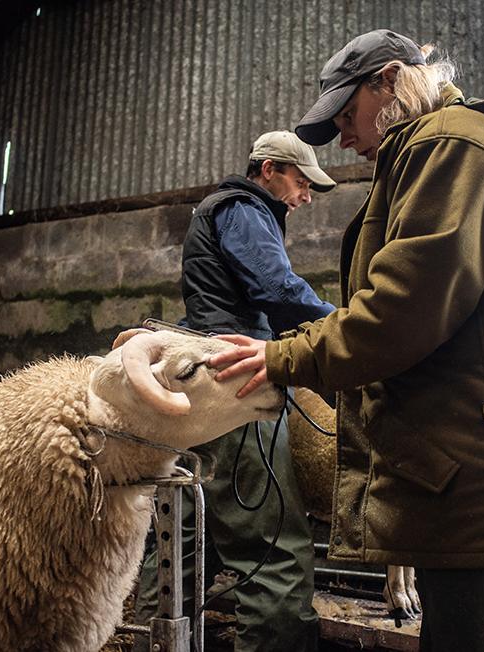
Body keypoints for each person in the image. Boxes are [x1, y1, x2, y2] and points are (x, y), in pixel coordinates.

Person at [210, 29, 484, 652]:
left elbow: (403, 311)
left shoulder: (451, 145)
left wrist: (281, 355)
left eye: (347, 115)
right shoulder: (439, 149)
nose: (343, 137)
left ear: (389, 80)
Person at [134, 130, 337, 652]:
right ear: (268, 170)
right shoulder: (246, 208)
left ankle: (152, 641)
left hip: (201, 377)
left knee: (184, 533)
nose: (306, 195)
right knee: (274, 548)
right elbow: (278, 289)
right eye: (300, 181)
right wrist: (350, 330)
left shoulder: (221, 208)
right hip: (236, 384)